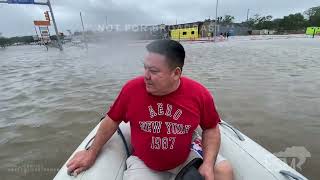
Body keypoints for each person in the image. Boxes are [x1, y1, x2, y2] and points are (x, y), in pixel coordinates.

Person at [66, 40, 233, 180]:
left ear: (176, 73)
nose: (145, 75)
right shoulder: (131, 90)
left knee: (224, 171)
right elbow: (111, 120)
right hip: (145, 163)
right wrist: (91, 153)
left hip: (185, 155)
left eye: (153, 71)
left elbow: (211, 128)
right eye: (145, 67)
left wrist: (208, 164)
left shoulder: (199, 94)